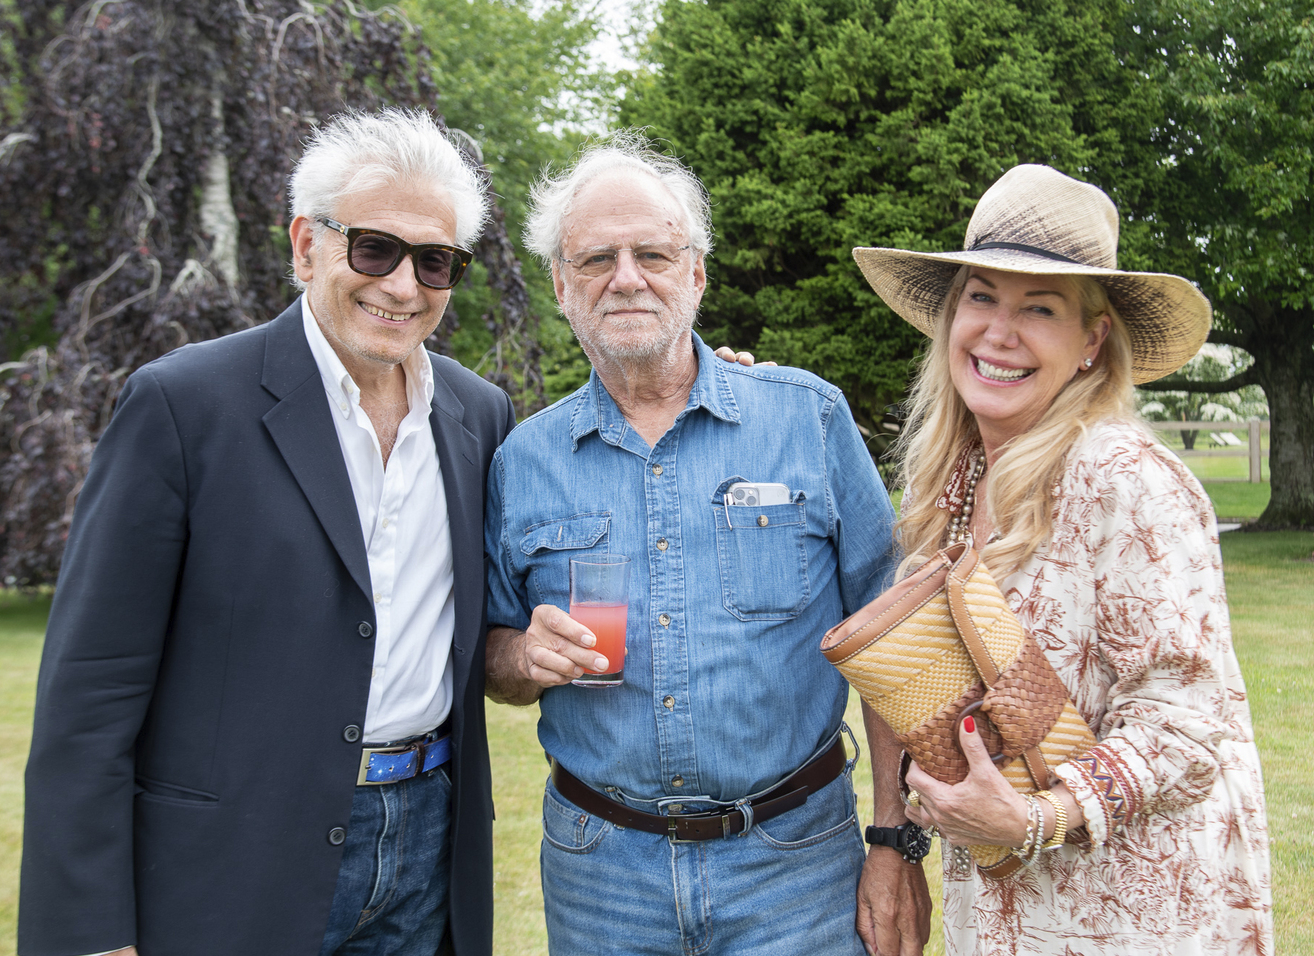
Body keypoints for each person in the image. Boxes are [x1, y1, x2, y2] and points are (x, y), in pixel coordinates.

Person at [18, 109, 515, 956]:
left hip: (429, 845)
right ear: (304, 245)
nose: (402, 285)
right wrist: (89, 932)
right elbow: (90, 691)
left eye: (435, 261)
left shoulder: (480, 416)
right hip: (234, 863)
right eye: (373, 248)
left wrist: (704, 384)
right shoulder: (182, 405)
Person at [482, 132, 932, 956]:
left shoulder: (807, 418)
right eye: (594, 259)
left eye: (653, 253)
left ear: (695, 272)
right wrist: (523, 656)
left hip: (796, 865)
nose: (625, 277)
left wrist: (894, 843)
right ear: (559, 283)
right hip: (601, 877)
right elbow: (490, 655)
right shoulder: (522, 462)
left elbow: (895, 639)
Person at [852, 163, 1273, 954]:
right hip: (1009, 908)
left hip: (1128, 914)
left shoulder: (1121, 476)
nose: (999, 333)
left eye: (1038, 309)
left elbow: (1187, 721)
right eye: (981, 297)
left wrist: (1036, 817)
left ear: (1092, 339)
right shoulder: (952, 481)